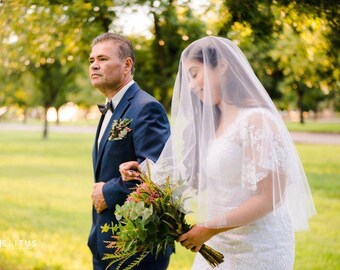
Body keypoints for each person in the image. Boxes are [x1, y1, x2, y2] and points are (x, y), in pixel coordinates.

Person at [120, 36, 316, 269]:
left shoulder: (256, 121)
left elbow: (269, 197)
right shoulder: (211, 126)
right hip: (218, 242)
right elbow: (192, 176)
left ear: (221, 66)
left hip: (259, 247)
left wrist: (209, 228)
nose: (191, 85)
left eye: (194, 73)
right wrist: (141, 173)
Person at [87, 32, 171, 270]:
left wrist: (108, 191)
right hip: (105, 239)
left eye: (102, 59)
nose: (94, 65)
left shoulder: (146, 108)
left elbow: (158, 174)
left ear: (127, 64)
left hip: (135, 247)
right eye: (91, 60)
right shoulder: (111, 108)